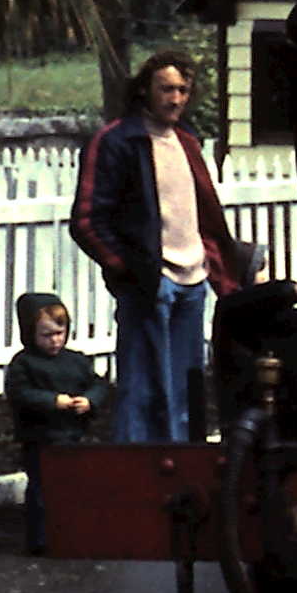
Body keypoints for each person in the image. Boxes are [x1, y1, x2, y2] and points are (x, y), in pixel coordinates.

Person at [70, 49, 244, 441]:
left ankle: (182, 477)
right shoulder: (116, 141)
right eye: (166, 89)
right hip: (150, 283)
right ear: (145, 90)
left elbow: (204, 217)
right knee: (143, 389)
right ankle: (133, 480)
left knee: (187, 388)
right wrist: (128, 268)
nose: (176, 98)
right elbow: (86, 220)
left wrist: (219, 271)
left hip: (193, 282)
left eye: (183, 89)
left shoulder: (187, 143)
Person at [4, 294, 111, 553]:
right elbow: (19, 393)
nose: (55, 341)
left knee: (73, 487)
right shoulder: (24, 363)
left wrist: (89, 401)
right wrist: (52, 401)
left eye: (59, 333)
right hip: (40, 437)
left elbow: (98, 384)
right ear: (30, 333)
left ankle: (72, 533)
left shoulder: (76, 360)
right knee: (42, 489)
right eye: (46, 335)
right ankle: (40, 539)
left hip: (73, 435)